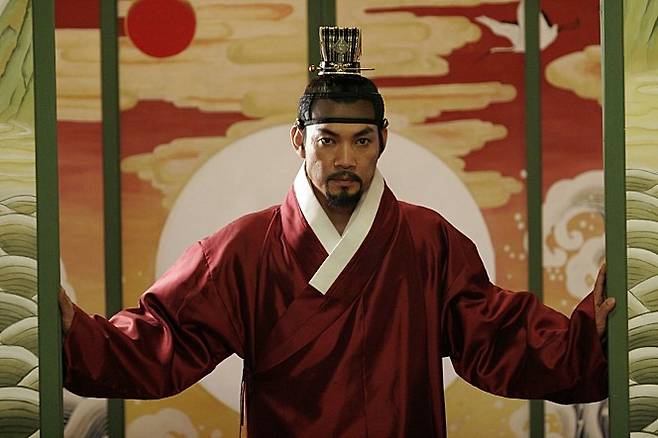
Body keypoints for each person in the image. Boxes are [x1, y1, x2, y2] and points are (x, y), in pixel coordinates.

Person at [59, 27, 616, 437]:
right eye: (328, 140)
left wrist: (587, 338)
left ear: (382, 141)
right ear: (299, 141)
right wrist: (73, 335)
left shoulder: (428, 242)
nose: (345, 158)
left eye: (361, 140)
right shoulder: (242, 250)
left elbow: (498, 337)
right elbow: (163, 338)